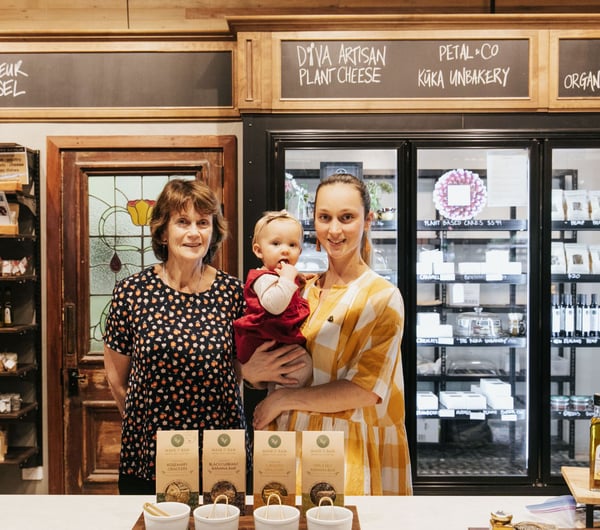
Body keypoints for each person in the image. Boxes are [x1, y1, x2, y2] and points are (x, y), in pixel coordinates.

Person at [243, 172, 413, 496]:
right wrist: (251, 373)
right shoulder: (301, 289)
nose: (334, 230)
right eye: (325, 218)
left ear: (367, 221)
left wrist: (283, 399)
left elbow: (364, 390)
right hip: (285, 448)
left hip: (346, 453)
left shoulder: (382, 297)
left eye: (346, 217)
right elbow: (265, 357)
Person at [103, 178, 248, 495]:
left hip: (220, 449)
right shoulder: (132, 292)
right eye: (182, 221)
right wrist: (143, 428)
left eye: (203, 222)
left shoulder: (233, 293)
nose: (194, 233)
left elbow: (243, 370)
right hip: (151, 453)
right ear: (162, 230)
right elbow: (115, 378)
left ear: (214, 230)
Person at [234, 210, 312, 393]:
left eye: (292, 245)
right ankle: (280, 397)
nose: (285, 249)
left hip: (275, 340)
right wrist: (287, 278)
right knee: (302, 365)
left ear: (299, 251)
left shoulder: (280, 276)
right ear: (258, 250)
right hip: (262, 340)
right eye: (276, 243)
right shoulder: (262, 278)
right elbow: (275, 305)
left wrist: (296, 279)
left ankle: (280, 396)